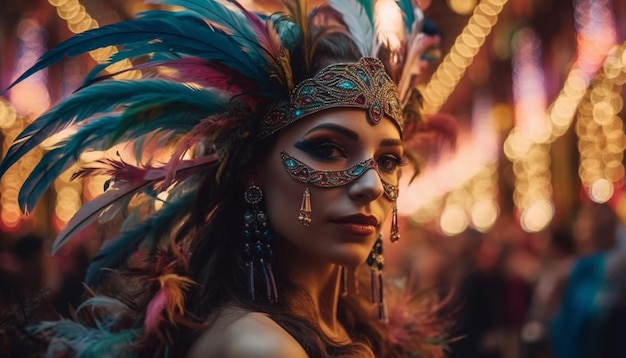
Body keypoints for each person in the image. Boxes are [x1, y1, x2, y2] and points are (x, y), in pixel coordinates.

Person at [0, 0, 451, 356]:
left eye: (388, 159)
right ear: (253, 167)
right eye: (328, 149)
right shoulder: (261, 347)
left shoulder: (347, 326)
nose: (371, 184)